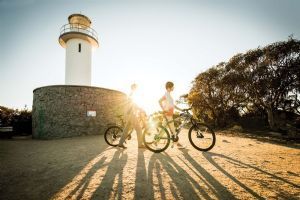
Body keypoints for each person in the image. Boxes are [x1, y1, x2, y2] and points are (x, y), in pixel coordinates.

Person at [159, 81, 186, 149]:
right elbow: (159, 101)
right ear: (168, 87)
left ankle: (156, 141)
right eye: (172, 86)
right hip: (168, 114)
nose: (173, 88)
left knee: (163, 129)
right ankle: (177, 143)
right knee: (173, 130)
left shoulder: (169, 95)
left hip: (169, 114)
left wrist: (181, 109)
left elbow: (173, 105)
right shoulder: (166, 95)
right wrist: (163, 109)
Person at [118, 83, 145, 149]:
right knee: (139, 129)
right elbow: (133, 104)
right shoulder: (132, 94)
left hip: (128, 114)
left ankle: (120, 143)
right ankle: (140, 144)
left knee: (126, 130)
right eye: (136, 88)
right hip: (131, 114)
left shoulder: (130, 94)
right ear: (135, 88)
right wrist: (140, 108)